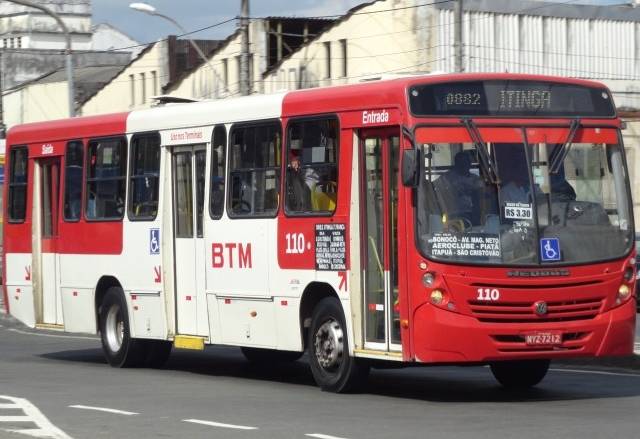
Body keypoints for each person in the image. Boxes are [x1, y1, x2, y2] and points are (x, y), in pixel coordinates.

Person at [433, 151, 483, 225]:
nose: (464, 164)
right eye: (461, 162)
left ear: (470, 163)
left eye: (466, 162)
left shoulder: (475, 179)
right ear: (456, 163)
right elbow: (434, 188)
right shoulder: (447, 177)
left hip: (472, 214)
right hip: (453, 214)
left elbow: (482, 194)